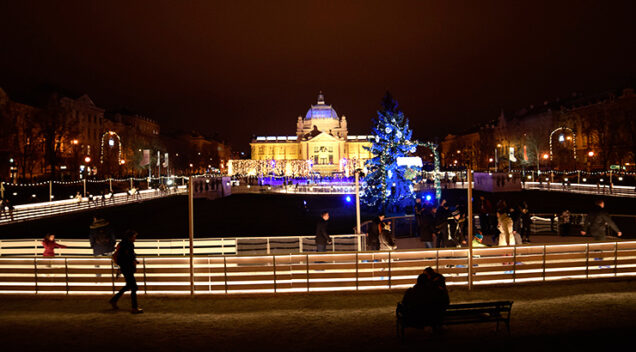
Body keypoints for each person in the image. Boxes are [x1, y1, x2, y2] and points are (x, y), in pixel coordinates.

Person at [399, 267, 449, 333]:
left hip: (412, 318)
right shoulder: (430, 292)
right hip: (425, 316)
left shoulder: (411, 291)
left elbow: (404, 302)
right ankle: (437, 324)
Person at [110, 230, 143, 314]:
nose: (135, 238)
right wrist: (133, 261)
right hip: (127, 268)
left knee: (128, 286)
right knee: (134, 287)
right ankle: (134, 308)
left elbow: (124, 257)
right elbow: (129, 257)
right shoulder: (129, 244)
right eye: (134, 236)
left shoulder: (122, 243)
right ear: (130, 237)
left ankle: (114, 300)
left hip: (124, 268)